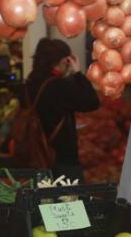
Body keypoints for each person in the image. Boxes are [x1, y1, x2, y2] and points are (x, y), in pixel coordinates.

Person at [24, 39, 100, 181]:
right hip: (62, 157)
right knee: (71, 200)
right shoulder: (59, 86)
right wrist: (77, 73)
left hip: (35, 153)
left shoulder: (30, 82)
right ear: (65, 61)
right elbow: (92, 102)